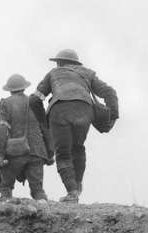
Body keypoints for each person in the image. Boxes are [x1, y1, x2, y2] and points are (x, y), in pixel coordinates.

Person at [32, 49, 118, 203]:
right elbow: (110, 93)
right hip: (84, 110)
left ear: (59, 62)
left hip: (59, 111)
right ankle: (77, 187)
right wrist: (113, 116)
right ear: (75, 63)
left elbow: (34, 100)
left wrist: (44, 122)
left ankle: (72, 192)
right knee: (78, 148)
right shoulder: (88, 74)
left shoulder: (53, 73)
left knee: (63, 153)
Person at [0, 74, 50, 202]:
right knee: (38, 190)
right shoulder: (35, 103)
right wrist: (49, 153)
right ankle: (43, 208)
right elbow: (46, 128)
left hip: (16, 152)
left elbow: (1, 129)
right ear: (24, 87)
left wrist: (0, 154)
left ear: (10, 89)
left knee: (6, 187)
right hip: (37, 151)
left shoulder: (5, 104)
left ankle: (6, 208)